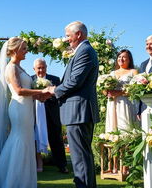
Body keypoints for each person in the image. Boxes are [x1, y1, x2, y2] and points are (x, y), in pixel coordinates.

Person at [0, 37, 50, 188]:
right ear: (15, 50)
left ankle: (24, 181)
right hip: (19, 108)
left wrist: (40, 96)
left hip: (27, 107)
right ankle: (12, 182)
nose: (26, 51)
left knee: (27, 140)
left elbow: (27, 91)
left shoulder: (20, 67)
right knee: (19, 140)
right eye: (24, 48)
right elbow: (18, 90)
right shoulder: (11, 68)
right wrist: (42, 89)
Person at [47, 21, 100, 188]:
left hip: (79, 111)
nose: (66, 39)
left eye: (68, 36)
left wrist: (53, 90)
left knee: (80, 158)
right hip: (78, 111)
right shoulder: (84, 51)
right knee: (82, 157)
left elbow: (74, 81)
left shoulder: (85, 51)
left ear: (78, 34)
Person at [104, 49, 138, 174]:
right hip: (112, 104)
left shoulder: (133, 72)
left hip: (125, 104)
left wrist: (119, 92)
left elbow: (135, 90)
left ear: (129, 60)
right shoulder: (112, 73)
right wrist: (105, 90)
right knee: (113, 133)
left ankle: (126, 166)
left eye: (124, 57)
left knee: (125, 133)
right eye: (119, 57)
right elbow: (105, 90)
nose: (121, 59)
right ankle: (114, 165)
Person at [32, 58, 68, 173]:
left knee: (56, 139)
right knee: (34, 138)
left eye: (43, 67)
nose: (41, 70)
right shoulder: (30, 80)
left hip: (51, 113)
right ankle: (35, 162)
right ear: (34, 69)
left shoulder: (55, 79)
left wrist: (47, 96)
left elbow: (60, 95)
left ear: (46, 67)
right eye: (38, 68)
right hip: (34, 114)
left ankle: (62, 165)